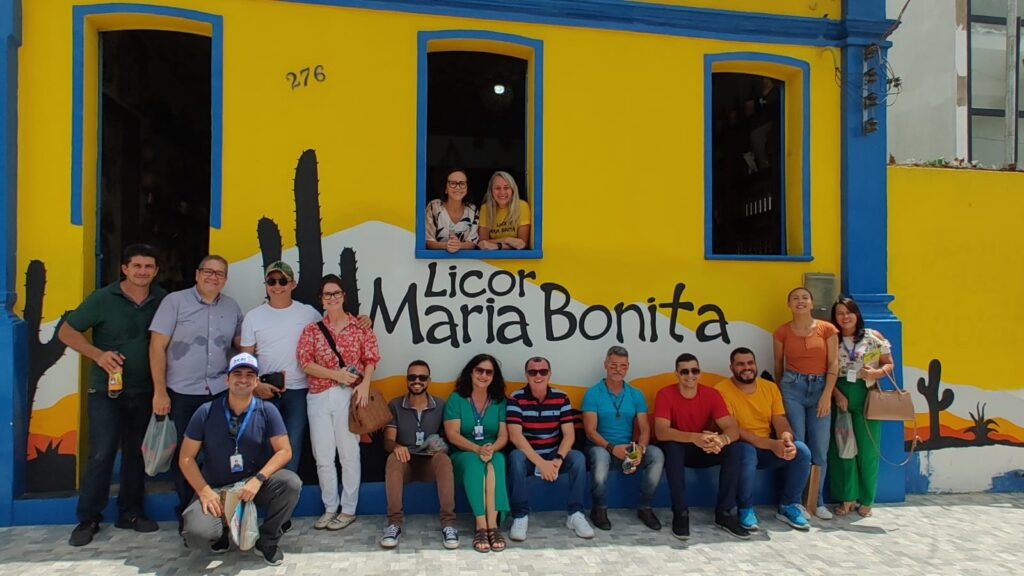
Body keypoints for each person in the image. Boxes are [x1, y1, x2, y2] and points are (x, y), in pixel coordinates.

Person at [60, 244, 166, 546]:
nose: (142, 272)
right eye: (137, 266)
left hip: (145, 389)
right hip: (106, 390)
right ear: (125, 268)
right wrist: (97, 354)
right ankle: (89, 517)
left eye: (148, 267)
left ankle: (130, 512)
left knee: (136, 453)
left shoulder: (163, 300)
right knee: (102, 452)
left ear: (156, 271)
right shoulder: (103, 298)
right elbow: (67, 332)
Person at [178, 353, 301, 566]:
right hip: (216, 489)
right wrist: (204, 491)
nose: (243, 379)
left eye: (249, 375)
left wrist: (259, 479)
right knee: (196, 534)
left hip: (251, 486)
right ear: (227, 379)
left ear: (256, 381)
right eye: (237, 374)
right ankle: (222, 532)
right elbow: (186, 458)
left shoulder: (267, 411)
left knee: (290, 484)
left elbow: (284, 451)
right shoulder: (206, 412)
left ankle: (268, 540)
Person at [150, 254, 243, 531]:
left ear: (225, 279)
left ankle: (219, 514)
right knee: (186, 455)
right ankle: (189, 514)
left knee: (219, 453)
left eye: (220, 274)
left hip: (218, 391)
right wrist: (160, 391)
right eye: (208, 272)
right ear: (197, 274)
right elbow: (157, 347)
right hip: (182, 393)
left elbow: (242, 345)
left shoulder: (231, 307)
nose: (213, 277)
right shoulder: (174, 303)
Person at [296, 274, 380, 530]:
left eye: (336, 293)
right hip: (319, 396)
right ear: (321, 299)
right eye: (326, 294)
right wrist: (336, 374)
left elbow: (371, 358)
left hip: (349, 396)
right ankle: (330, 507)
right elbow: (305, 363)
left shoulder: (360, 327)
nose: (331, 298)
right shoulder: (312, 330)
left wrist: (364, 385)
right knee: (323, 455)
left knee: (349, 453)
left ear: (344, 296)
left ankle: (349, 508)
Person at [715, 348, 812, 531]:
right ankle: (745, 508)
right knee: (747, 451)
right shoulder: (721, 390)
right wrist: (772, 445)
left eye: (750, 363)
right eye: (740, 364)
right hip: (741, 446)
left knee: (801, 451)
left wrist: (786, 439)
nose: (746, 368)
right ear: (731, 367)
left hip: (768, 445)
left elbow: (780, 420)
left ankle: (788, 505)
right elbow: (734, 429)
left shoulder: (769, 387)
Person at [653, 353, 748, 540]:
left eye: (694, 370)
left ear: (700, 372)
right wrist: (694, 437)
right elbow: (661, 432)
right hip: (681, 449)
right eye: (685, 371)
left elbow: (732, 428)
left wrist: (722, 440)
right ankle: (680, 513)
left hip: (704, 448)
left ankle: (726, 513)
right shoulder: (665, 394)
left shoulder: (711, 394)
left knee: (736, 448)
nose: (690, 375)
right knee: (672, 446)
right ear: (677, 374)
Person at [239, 261, 322, 474]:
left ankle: (287, 495)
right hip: (265, 390)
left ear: (292, 284)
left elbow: (332, 333)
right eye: (271, 281)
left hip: (299, 390)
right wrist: (254, 385)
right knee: (262, 445)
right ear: (265, 284)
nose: (277, 286)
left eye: (283, 281)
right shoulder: (253, 316)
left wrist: (361, 322)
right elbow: (246, 357)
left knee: (292, 444)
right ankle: (262, 495)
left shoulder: (309, 313)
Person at [506, 356, 593, 541]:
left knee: (578, 458)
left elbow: (569, 435)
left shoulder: (561, 397)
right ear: (526, 375)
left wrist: (557, 460)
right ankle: (520, 515)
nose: (538, 375)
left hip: (554, 454)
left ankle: (575, 514)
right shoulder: (516, 398)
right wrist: (541, 464)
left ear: (550, 374)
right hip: (529, 456)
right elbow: (515, 436)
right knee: (515, 458)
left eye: (543, 371)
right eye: (533, 372)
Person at [772, 286, 838, 520]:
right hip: (792, 387)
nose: (800, 302)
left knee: (820, 447)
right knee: (798, 445)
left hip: (820, 388)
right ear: (788, 305)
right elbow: (778, 365)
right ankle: (794, 501)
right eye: (795, 299)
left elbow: (833, 364)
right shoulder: (781, 332)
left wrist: (826, 395)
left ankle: (816, 501)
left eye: (804, 298)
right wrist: (779, 393)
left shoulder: (827, 329)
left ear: (812, 303)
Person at [582, 346, 665, 531]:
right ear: (605, 365)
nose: (618, 369)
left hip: (628, 448)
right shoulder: (593, 393)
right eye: (613, 365)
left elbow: (644, 428)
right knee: (600, 456)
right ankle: (599, 509)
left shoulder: (636, 394)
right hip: (601, 447)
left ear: (628, 367)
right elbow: (590, 431)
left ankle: (645, 507)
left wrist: (640, 450)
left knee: (656, 454)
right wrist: (612, 448)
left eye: (622, 365)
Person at [380, 360, 459, 549]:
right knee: (393, 458)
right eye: (412, 377)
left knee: (444, 459)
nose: (417, 381)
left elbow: (450, 438)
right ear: (407, 380)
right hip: (406, 462)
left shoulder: (440, 405)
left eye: (422, 377)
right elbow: (388, 441)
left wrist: (441, 447)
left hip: (428, 463)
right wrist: (397, 447)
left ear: (429, 381)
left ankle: (448, 525)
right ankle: (394, 524)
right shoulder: (395, 405)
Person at [828, 297, 894, 518]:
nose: (845, 317)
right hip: (841, 395)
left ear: (857, 314)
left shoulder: (873, 337)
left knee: (867, 450)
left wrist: (875, 373)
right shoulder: (831, 339)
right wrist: (836, 394)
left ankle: (866, 500)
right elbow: (823, 371)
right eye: (839, 313)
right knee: (844, 448)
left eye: (849, 312)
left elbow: (888, 363)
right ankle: (847, 497)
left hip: (867, 396)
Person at [443, 354, 509, 553]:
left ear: (494, 376)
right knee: (474, 463)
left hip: (491, 450)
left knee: (496, 462)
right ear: (470, 372)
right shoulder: (457, 398)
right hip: (464, 451)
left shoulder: (499, 401)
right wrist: (477, 449)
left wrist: (491, 449)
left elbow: (504, 435)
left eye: (489, 372)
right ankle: (480, 524)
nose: (483, 375)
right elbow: (452, 434)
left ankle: (493, 525)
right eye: (479, 370)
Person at [424, 167, 479, 253]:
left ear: (467, 188)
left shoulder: (472, 210)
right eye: (453, 183)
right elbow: (428, 241)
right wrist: (447, 245)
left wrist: (458, 245)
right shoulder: (434, 207)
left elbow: (472, 243)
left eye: (462, 183)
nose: (457, 187)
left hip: (466, 264)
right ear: (445, 188)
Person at [477, 171, 530, 250]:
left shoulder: (522, 206)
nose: (502, 192)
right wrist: (507, 240)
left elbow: (522, 244)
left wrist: (496, 246)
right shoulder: (486, 208)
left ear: (512, 190)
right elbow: (483, 243)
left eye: (506, 187)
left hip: (516, 260)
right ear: (491, 191)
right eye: (497, 188)